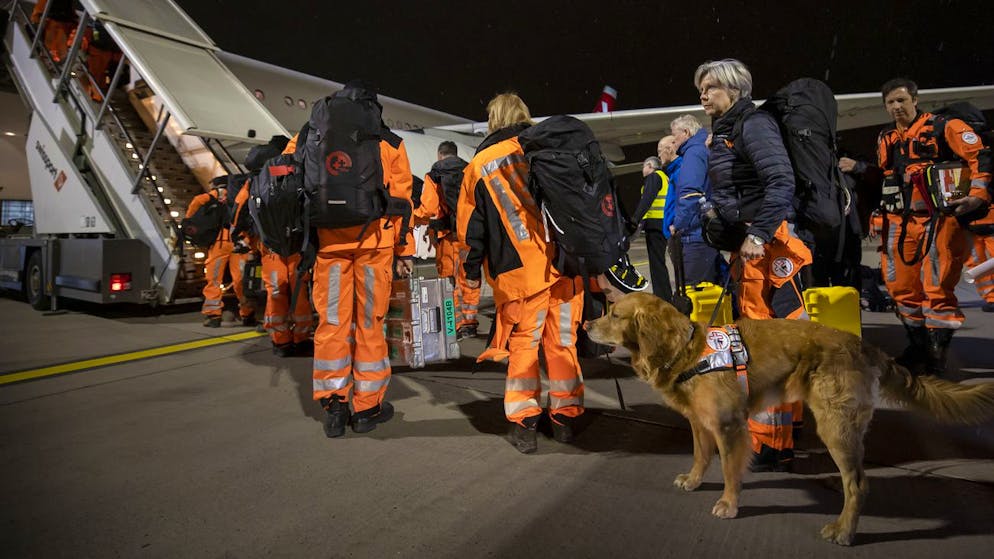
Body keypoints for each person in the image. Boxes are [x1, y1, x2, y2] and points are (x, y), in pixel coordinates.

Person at [697, 58, 813, 472]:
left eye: (710, 87)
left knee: (767, 349)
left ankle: (771, 444)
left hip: (768, 251)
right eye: (701, 88)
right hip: (754, 248)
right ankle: (785, 431)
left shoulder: (753, 125)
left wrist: (757, 234)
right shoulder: (728, 129)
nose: (703, 94)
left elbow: (781, 182)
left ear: (734, 88)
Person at [458, 93, 585, 454]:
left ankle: (525, 420)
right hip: (565, 266)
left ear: (494, 119)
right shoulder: (549, 148)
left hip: (520, 273)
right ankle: (565, 417)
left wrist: (469, 273)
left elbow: (471, 231)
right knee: (562, 343)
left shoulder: (481, 163)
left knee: (523, 347)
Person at [289, 81, 414, 438]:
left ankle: (333, 405)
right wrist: (403, 250)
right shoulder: (389, 142)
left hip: (328, 246)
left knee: (332, 323)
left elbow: (291, 179)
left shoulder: (310, 135)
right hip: (374, 245)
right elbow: (403, 203)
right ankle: (367, 408)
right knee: (369, 324)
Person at [876, 78, 991, 375]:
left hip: (941, 220)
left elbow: (981, 157)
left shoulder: (946, 127)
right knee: (900, 287)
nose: (897, 107)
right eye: (891, 102)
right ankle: (917, 347)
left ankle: (936, 356)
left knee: (937, 288)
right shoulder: (887, 139)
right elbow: (886, 178)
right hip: (900, 222)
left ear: (915, 99)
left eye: (902, 100)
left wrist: (977, 197)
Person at [416, 141, 480, 338]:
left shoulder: (435, 173)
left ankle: (456, 325)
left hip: (447, 237)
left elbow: (428, 208)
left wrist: (414, 217)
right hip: (469, 234)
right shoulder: (470, 169)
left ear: (439, 155)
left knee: (449, 281)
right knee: (469, 276)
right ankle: (470, 321)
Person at [186, 176, 256, 328]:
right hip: (240, 242)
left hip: (219, 244)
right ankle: (247, 313)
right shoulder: (241, 194)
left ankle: (213, 316)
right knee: (241, 280)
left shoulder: (212, 196)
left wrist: (189, 223)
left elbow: (196, 203)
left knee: (214, 279)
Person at [669, 114, 724, 286]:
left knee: (693, 291)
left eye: (674, 136)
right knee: (718, 287)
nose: (673, 141)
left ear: (685, 132)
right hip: (707, 231)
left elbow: (690, 193)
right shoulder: (703, 148)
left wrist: (678, 224)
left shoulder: (693, 152)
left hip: (695, 234)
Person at [631, 154, 673, 300]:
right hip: (662, 223)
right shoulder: (665, 177)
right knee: (659, 262)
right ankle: (665, 295)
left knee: (656, 264)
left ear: (649, 166)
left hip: (656, 225)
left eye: (644, 166)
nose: (642, 170)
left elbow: (647, 200)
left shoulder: (654, 177)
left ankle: (662, 297)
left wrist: (634, 220)